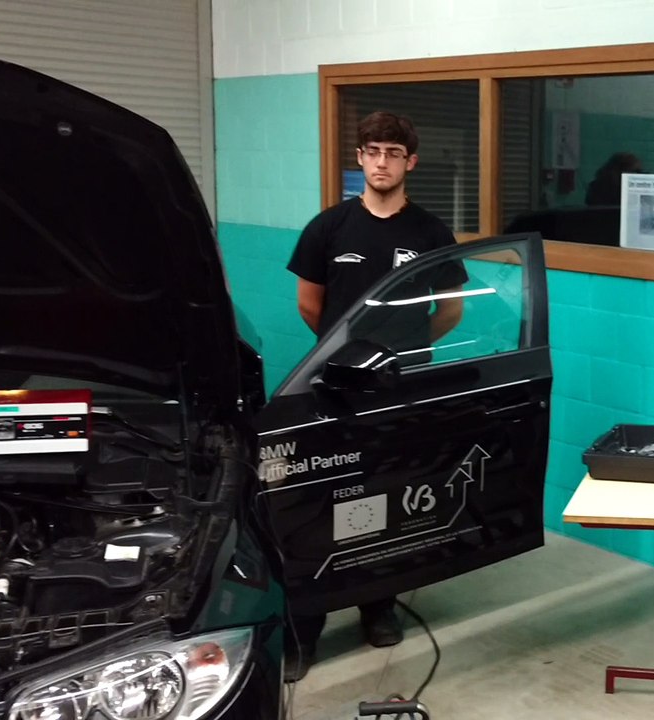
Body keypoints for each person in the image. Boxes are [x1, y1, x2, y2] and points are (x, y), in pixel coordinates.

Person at [283, 110, 467, 682]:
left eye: (392, 152)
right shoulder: (328, 228)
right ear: (359, 159)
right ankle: (305, 627)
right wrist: (345, 357)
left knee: (391, 495)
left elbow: (452, 310)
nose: (381, 161)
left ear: (410, 161)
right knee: (323, 501)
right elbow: (310, 305)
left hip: (404, 388)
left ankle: (378, 606)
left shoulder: (430, 233)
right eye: (371, 151)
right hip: (336, 388)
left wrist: (403, 354)